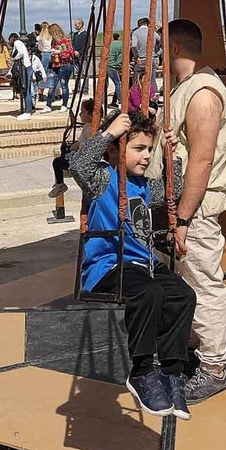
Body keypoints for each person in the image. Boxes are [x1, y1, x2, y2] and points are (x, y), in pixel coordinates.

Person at [68, 110, 194, 417]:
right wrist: (109, 133)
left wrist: (171, 156)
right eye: (139, 148)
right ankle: (141, 370)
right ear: (117, 151)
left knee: (182, 295)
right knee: (149, 293)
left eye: (149, 149)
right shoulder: (103, 178)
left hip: (143, 263)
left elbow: (171, 193)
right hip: (110, 264)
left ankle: (172, 373)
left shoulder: (144, 185)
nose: (146, 156)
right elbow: (79, 166)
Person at [160, 18, 226, 404]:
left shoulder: (203, 94)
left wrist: (184, 218)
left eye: (163, 46)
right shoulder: (185, 90)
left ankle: (214, 367)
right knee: (188, 281)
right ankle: (196, 349)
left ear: (175, 48)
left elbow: (202, 160)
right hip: (186, 207)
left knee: (204, 283)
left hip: (198, 208)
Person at [49, 98, 98, 199]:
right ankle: (61, 179)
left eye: (82, 112)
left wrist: (79, 145)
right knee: (64, 150)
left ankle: (60, 183)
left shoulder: (91, 129)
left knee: (57, 162)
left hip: (81, 157)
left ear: (90, 114)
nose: (80, 114)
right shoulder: (88, 125)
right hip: (77, 154)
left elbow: (92, 145)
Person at [48, 23, 76, 109]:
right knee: (51, 86)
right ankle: (48, 105)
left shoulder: (65, 41)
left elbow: (70, 53)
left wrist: (59, 52)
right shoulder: (53, 42)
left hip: (65, 65)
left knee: (64, 85)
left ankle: (64, 105)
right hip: (55, 65)